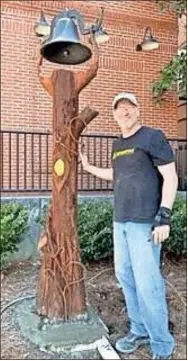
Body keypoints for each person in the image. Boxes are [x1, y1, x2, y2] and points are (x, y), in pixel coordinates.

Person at [79, 92, 178, 360]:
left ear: (138, 110)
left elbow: (170, 177)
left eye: (129, 107)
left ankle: (161, 342)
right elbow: (117, 174)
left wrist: (164, 216)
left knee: (148, 284)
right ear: (114, 115)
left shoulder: (152, 137)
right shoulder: (117, 145)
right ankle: (139, 329)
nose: (125, 112)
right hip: (120, 221)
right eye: (119, 108)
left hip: (145, 222)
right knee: (126, 277)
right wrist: (88, 167)